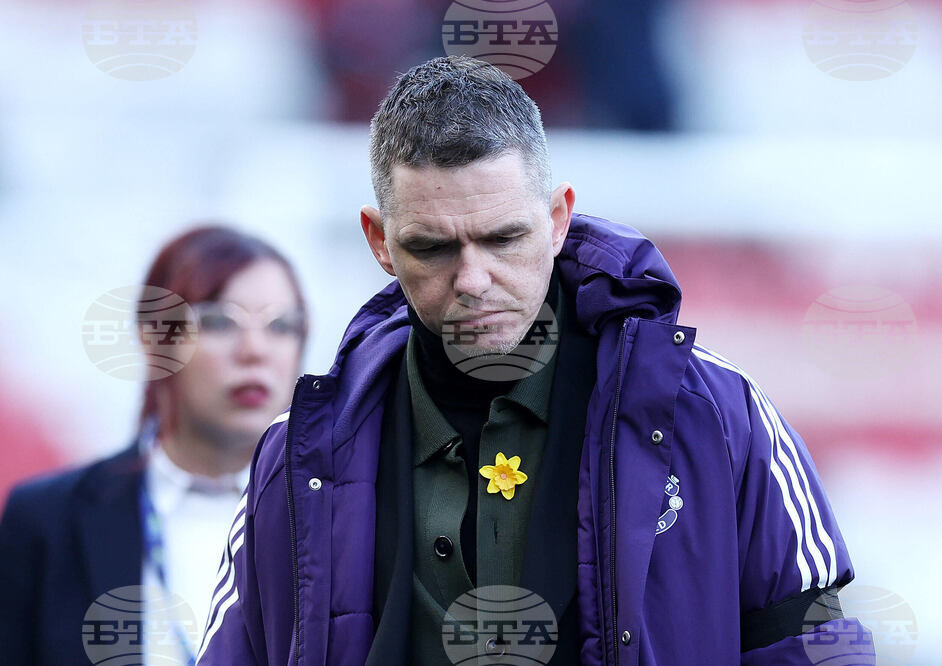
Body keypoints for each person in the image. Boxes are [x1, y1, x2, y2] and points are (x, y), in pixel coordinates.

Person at [197, 56, 873, 665]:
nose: (473, 278)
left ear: (558, 218)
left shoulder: (718, 414)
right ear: (379, 239)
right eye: (432, 247)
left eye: (504, 238)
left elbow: (811, 645)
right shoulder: (300, 458)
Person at [0, 226, 308, 665]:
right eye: (219, 321)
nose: (255, 349)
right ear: (153, 338)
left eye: (282, 325)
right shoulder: (49, 521)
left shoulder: (339, 515)